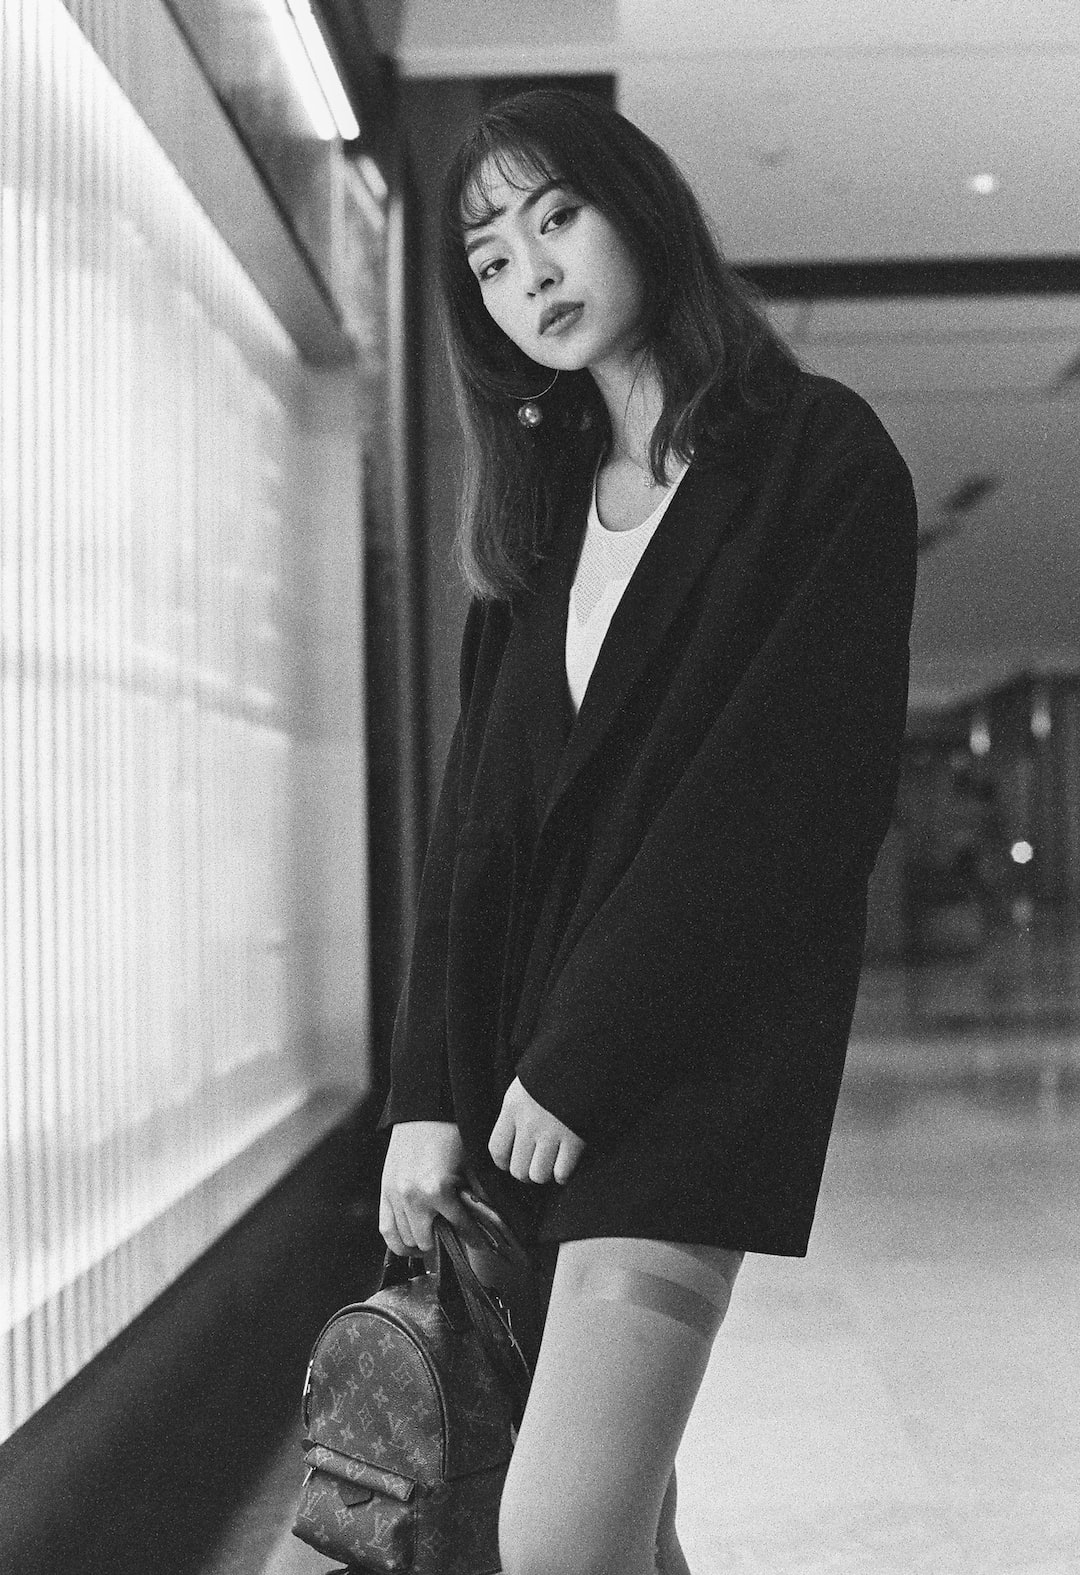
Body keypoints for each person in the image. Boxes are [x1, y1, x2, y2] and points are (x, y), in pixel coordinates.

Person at [378, 88, 918, 1575]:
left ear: (643, 209)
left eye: (557, 218)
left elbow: (789, 798)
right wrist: (428, 1090)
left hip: (681, 1063)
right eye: (491, 258)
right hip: (512, 1086)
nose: (532, 273)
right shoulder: (539, 509)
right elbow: (474, 832)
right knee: (620, 1523)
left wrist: (591, 1051)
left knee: (559, 1535)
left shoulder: (816, 458)